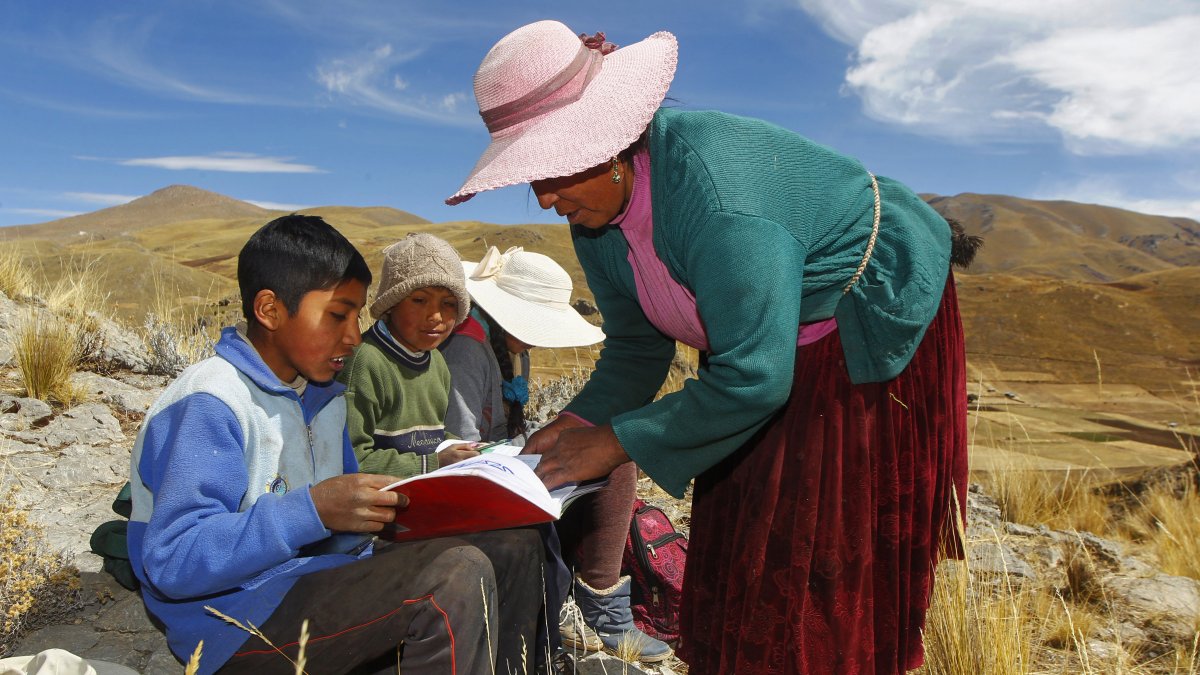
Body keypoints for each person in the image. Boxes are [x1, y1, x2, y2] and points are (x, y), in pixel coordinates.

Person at [446, 20, 976, 675]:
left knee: (824, 544)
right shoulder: (598, 223)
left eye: (553, 170)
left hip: (856, 326)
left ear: (610, 143)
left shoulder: (721, 200)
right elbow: (638, 349)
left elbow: (755, 379)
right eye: (533, 178)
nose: (545, 198)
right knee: (742, 536)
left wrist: (614, 442)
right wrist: (574, 426)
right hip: (758, 351)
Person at [127, 215, 543, 675]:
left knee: (514, 544)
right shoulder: (211, 401)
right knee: (453, 575)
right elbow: (172, 560)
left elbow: (345, 530)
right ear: (269, 310)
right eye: (337, 315)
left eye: (357, 316)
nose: (352, 335)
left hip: (321, 580)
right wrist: (313, 511)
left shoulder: (324, 397)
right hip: (237, 624)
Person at [439, 247, 670, 662]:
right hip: (478, 484)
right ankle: (584, 607)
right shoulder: (467, 351)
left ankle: (602, 602)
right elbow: (462, 444)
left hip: (507, 463)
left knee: (615, 456)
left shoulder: (513, 352)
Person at [337, 232, 481, 476]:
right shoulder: (366, 362)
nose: (435, 316)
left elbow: (428, 437)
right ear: (391, 305)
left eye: (448, 304)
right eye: (419, 300)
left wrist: (460, 448)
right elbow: (351, 459)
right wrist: (433, 464)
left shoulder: (435, 361)